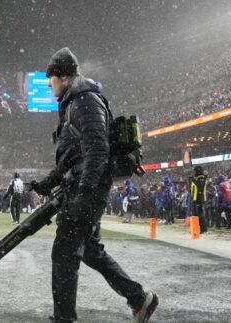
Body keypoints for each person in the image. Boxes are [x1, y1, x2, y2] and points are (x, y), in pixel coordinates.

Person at [30, 48, 157, 323]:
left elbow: (98, 149)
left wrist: (85, 192)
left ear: (63, 76)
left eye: (50, 78)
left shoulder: (85, 101)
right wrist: (45, 184)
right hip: (81, 187)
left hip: (86, 190)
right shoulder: (73, 103)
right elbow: (71, 160)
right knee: (89, 250)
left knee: (64, 252)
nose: (49, 84)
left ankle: (64, 318)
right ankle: (139, 298)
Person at [188, 166, 208, 234]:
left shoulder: (201, 178)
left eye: (195, 171)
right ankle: (196, 228)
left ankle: (203, 229)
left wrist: (193, 180)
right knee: (195, 215)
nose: (194, 172)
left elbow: (199, 189)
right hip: (196, 199)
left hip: (199, 199)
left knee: (200, 215)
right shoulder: (198, 178)